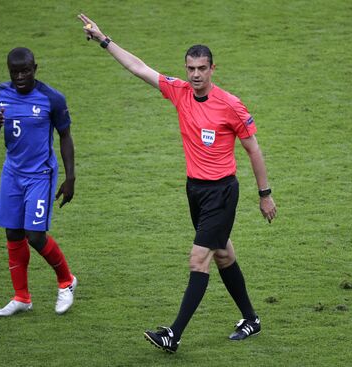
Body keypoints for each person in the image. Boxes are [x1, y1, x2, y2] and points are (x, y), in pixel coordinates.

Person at [77, 15, 277, 353]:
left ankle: (174, 334)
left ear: (213, 68)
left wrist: (265, 194)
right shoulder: (179, 92)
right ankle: (251, 319)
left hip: (222, 192)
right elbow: (140, 68)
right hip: (195, 191)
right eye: (190, 68)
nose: (195, 74)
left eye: (201, 68)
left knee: (199, 259)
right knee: (223, 254)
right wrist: (104, 40)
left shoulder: (231, 104)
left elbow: (253, 149)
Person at [0, 47, 78, 317]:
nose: (20, 77)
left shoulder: (52, 98)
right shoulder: (0, 93)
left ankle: (67, 281)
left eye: (25, 71)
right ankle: (22, 297)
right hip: (12, 174)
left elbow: (65, 136)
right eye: (15, 72)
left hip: (40, 175)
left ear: (35, 69)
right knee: (13, 233)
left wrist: (70, 178)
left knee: (35, 235)